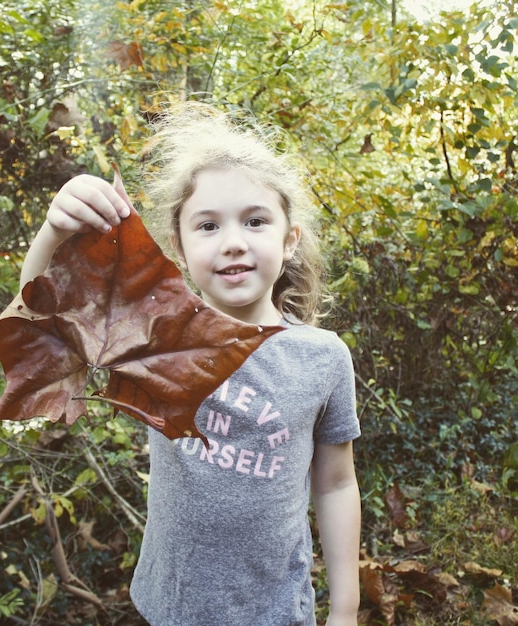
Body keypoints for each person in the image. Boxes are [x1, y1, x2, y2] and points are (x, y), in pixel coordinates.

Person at [20, 103, 361, 626]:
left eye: (255, 220)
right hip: (170, 604)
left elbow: (335, 484)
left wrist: (345, 609)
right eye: (207, 225)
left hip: (274, 612)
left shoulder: (322, 358)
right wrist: (53, 232)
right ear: (178, 245)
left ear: (289, 239)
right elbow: (43, 324)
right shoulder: (152, 331)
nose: (232, 242)